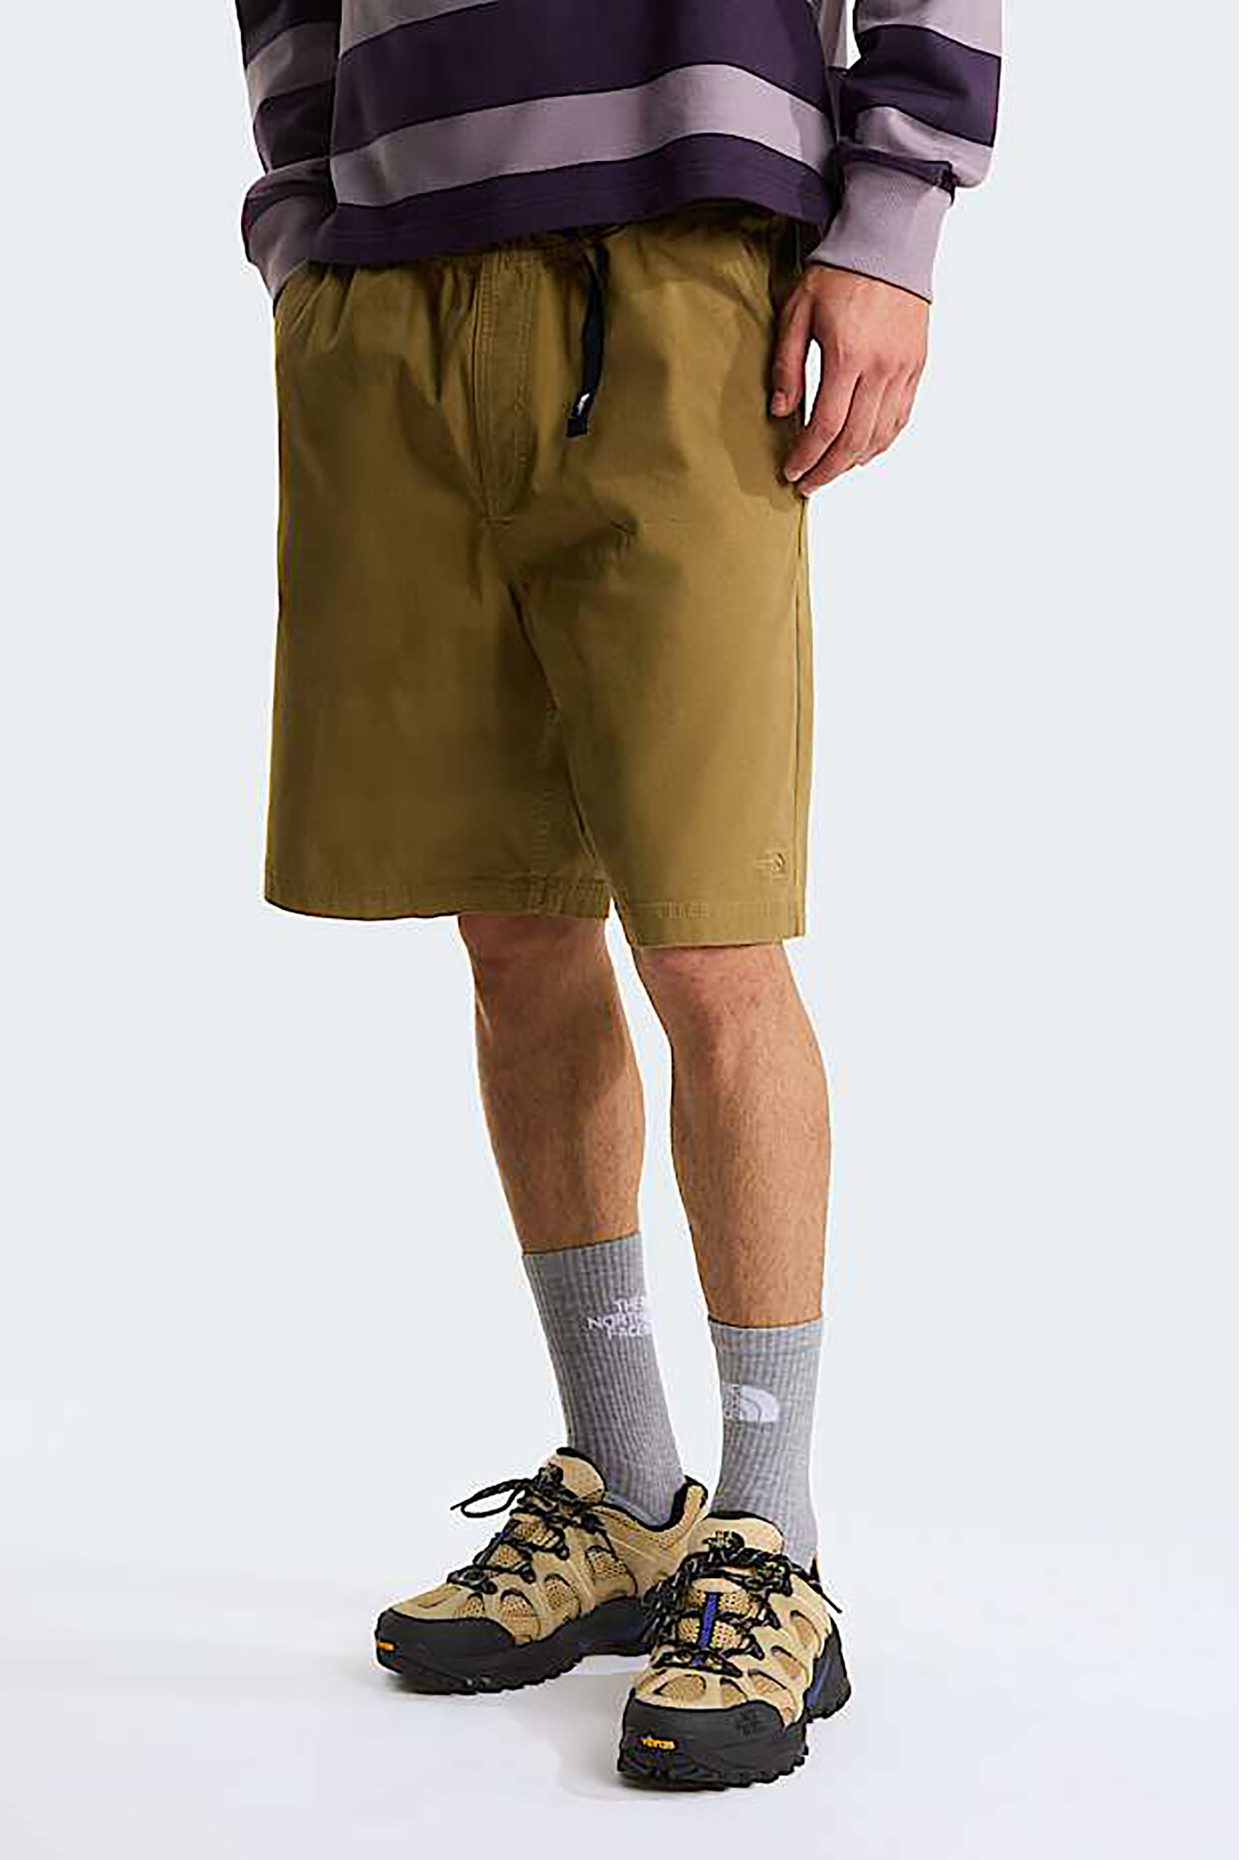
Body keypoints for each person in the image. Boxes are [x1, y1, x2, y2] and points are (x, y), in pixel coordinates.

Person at [232, 0, 999, 1790]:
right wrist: (300, 226)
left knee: (711, 932)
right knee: (511, 927)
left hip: (685, 261)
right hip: (392, 284)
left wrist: (893, 219)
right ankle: (629, 1493)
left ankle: (770, 1532)